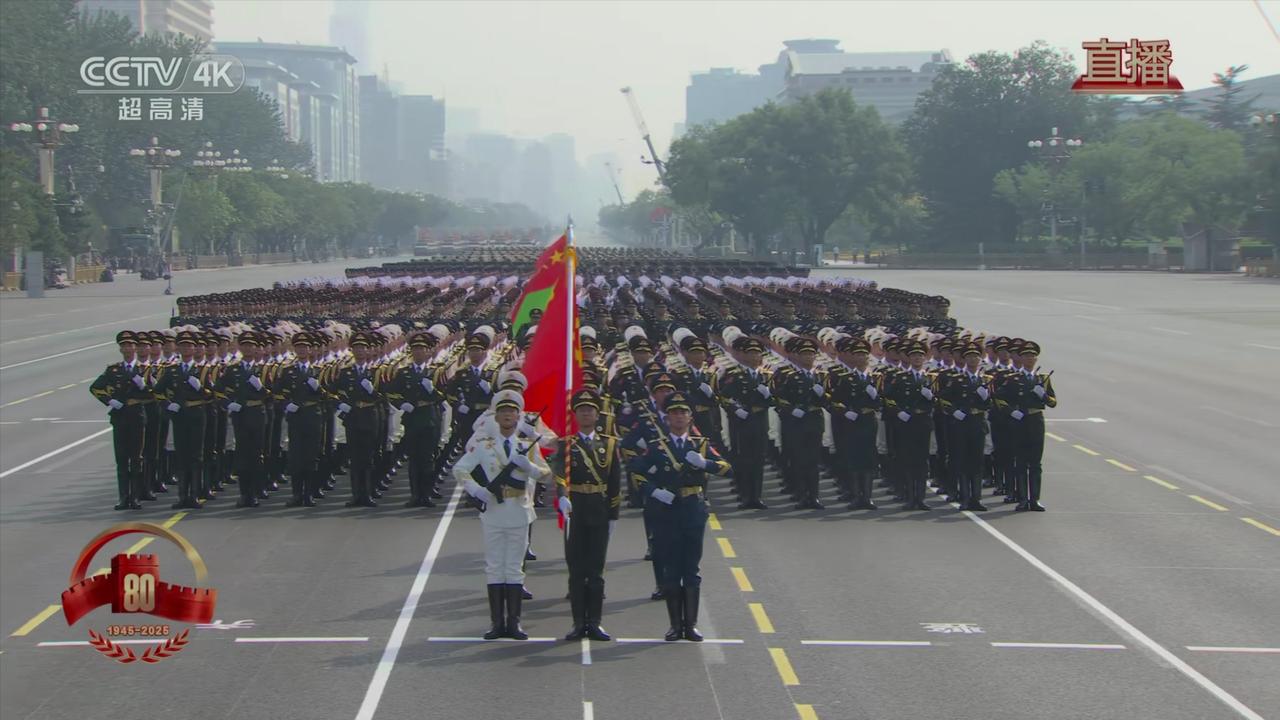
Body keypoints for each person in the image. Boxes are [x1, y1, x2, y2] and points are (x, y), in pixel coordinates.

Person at [629, 393, 730, 642]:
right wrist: (654, 492)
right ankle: (675, 625)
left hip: (693, 508)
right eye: (674, 413)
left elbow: (726, 468)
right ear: (667, 418)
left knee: (692, 568)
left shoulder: (701, 445)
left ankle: (691, 625)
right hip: (668, 510)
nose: (679, 417)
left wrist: (705, 464)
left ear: (690, 417)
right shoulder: (657, 447)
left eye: (683, 413)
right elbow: (637, 473)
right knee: (672, 568)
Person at [455, 390, 550, 640]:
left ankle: (514, 623)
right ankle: (497, 623)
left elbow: (547, 474)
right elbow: (460, 469)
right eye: (503, 412)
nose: (508, 415)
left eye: (512, 412)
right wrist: (477, 490)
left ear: (519, 417)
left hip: (519, 511)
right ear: (496, 417)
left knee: (515, 568)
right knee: (495, 566)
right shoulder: (484, 446)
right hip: (494, 512)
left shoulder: (526, 447)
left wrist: (530, 467)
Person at [552, 389, 622, 642]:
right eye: (581, 410)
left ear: (597, 414)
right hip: (575, 509)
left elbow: (614, 482)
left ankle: (595, 622)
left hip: (599, 510)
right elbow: (559, 473)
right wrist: (562, 495)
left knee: (596, 570)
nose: (585, 414)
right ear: (575, 414)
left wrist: (613, 514)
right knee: (576, 569)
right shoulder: (566, 444)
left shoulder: (609, 444)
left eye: (590, 410)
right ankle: (578, 622)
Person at [89, 331, 151, 510]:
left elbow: (154, 394)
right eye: (124, 346)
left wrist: (144, 386)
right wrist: (109, 401)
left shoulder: (144, 369)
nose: (127, 349)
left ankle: (135, 496)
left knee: (136, 458)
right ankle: (123, 497)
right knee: (122, 459)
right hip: (120, 417)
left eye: (130, 345)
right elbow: (95, 388)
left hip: (137, 416)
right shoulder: (113, 369)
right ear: (120, 349)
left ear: (135, 348)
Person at [383, 332, 445, 507]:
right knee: (414, 459)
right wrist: (402, 403)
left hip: (429, 418)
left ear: (428, 351)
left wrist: (432, 391)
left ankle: (426, 494)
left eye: (422, 349)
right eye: (415, 348)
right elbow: (391, 392)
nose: (418, 352)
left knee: (428, 459)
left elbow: (445, 395)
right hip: (412, 419)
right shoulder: (404, 373)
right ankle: (415, 495)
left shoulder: (436, 371)